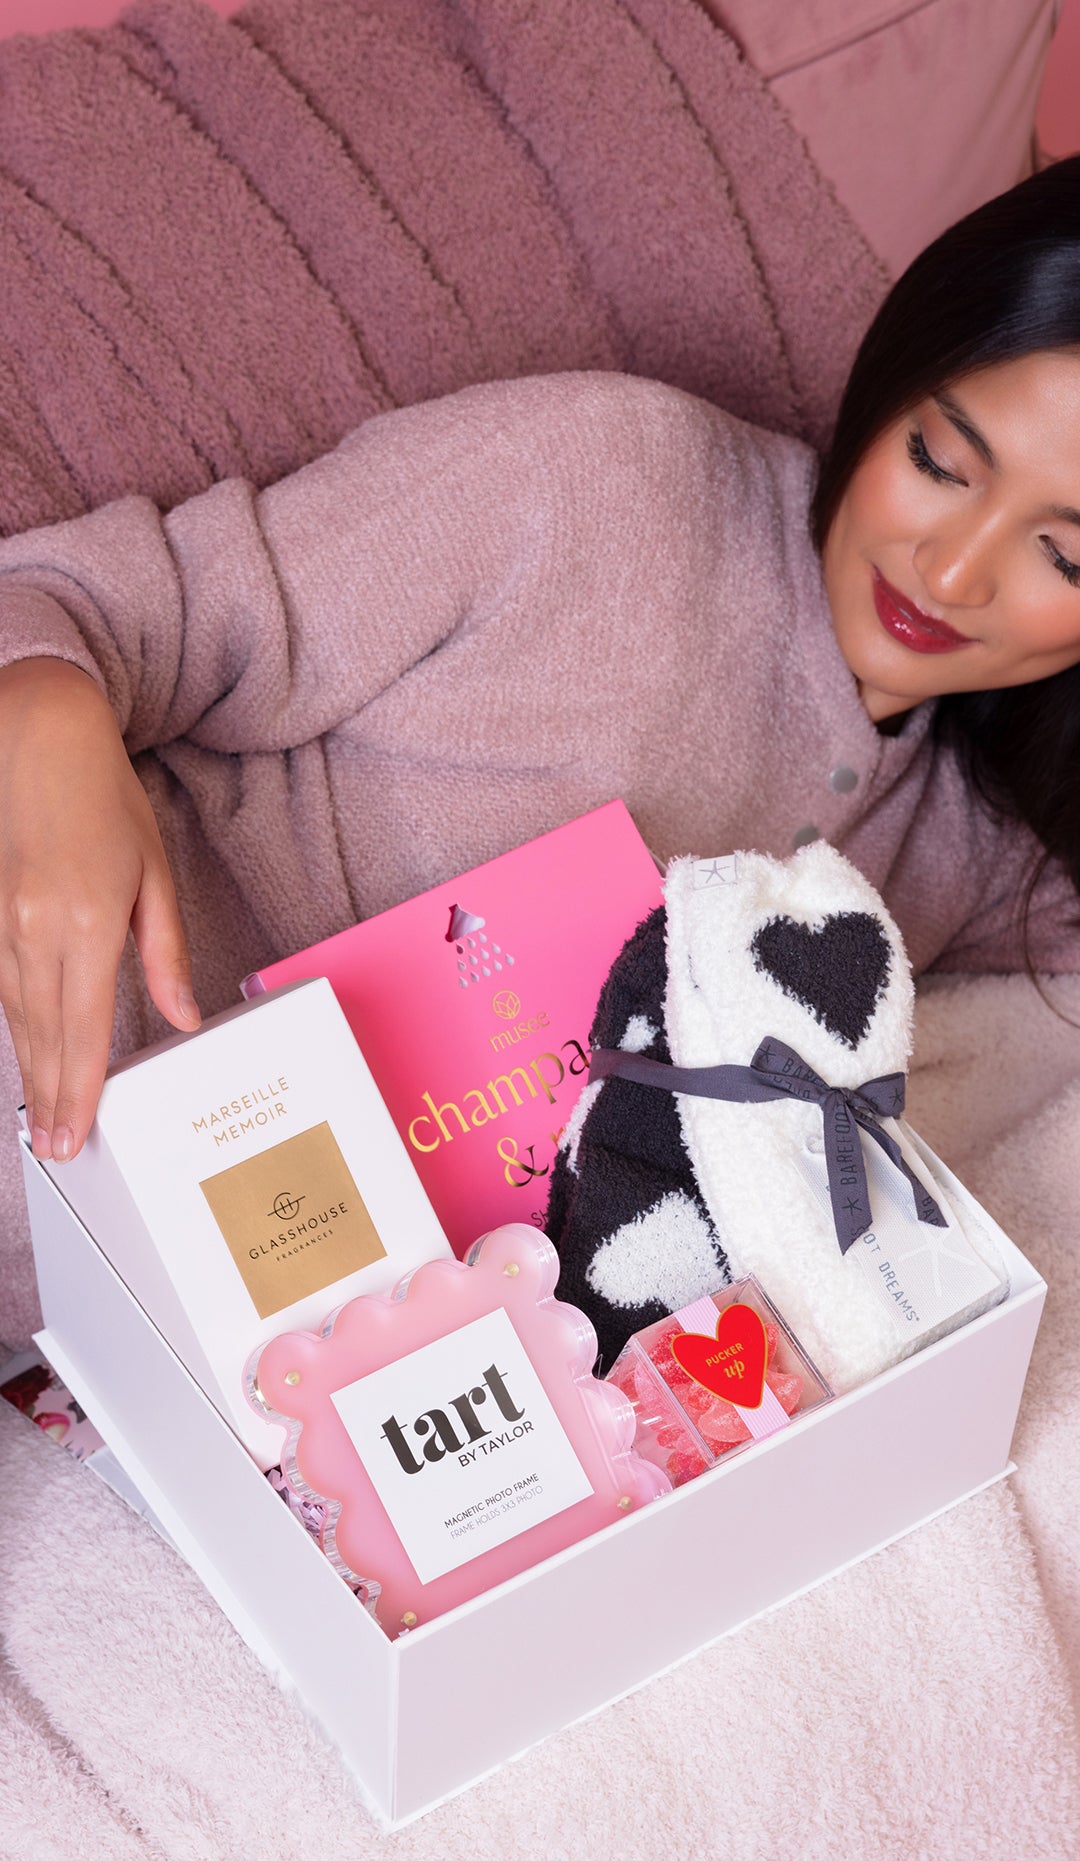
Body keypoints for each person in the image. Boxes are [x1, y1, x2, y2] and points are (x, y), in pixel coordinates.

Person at [1, 155, 1080, 1245]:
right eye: (940, 462)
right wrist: (42, 717)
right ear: (894, 377)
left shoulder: (975, 843)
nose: (951, 574)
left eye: (1064, 559)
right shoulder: (606, 477)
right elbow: (94, 604)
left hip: (261, 1333)